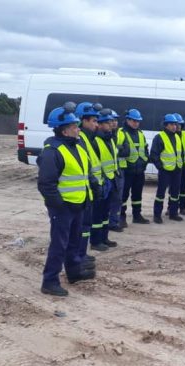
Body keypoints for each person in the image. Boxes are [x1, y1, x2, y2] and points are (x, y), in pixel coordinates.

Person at [37, 103, 96, 296]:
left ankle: (74, 272)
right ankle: (50, 281)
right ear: (64, 130)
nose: (78, 129)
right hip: (63, 208)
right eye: (74, 127)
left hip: (78, 204)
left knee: (74, 242)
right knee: (59, 245)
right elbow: (46, 184)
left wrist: (93, 186)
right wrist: (58, 205)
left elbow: (85, 172)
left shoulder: (77, 146)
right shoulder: (52, 151)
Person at [76, 102, 109, 253]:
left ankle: (84, 251)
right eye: (94, 121)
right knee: (84, 224)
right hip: (87, 188)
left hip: (95, 185)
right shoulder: (81, 140)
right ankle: (82, 252)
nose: (97, 124)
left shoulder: (91, 138)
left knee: (91, 221)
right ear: (84, 121)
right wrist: (94, 183)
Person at [92, 109, 119, 249]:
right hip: (101, 181)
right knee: (98, 213)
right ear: (101, 125)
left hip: (110, 179)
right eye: (108, 122)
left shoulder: (110, 138)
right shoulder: (96, 140)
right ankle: (96, 242)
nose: (112, 124)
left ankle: (104, 238)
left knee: (105, 213)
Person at [118, 108, 150, 224]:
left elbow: (145, 149)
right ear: (127, 120)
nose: (136, 123)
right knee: (123, 196)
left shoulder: (140, 133)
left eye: (138, 121)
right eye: (134, 121)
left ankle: (137, 216)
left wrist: (145, 161)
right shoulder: (121, 133)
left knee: (137, 195)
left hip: (139, 170)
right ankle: (121, 217)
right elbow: (116, 150)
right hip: (126, 170)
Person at [150, 114, 183, 223]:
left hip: (177, 170)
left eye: (175, 124)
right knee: (161, 194)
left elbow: (180, 153)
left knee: (175, 194)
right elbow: (154, 155)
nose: (174, 126)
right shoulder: (159, 137)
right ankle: (157, 215)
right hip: (165, 171)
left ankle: (173, 213)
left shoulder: (177, 137)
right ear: (166, 125)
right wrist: (161, 167)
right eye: (171, 124)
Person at [107, 109, 129, 232]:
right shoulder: (103, 135)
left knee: (117, 198)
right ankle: (107, 222)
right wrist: (118, 149)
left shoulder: (121, 133)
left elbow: (127, 151)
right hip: (107, 172)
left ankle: (113, 222)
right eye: (111, 120)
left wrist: (116, 149)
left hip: (119, 170)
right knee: (106, 200)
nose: (114, 123)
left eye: (115, 120)